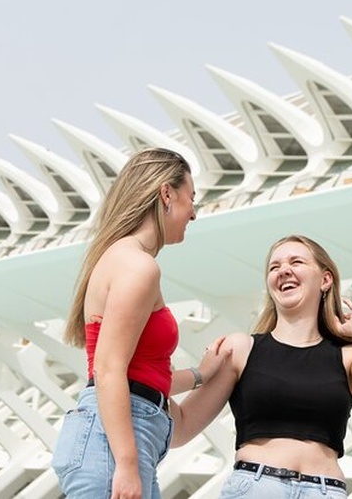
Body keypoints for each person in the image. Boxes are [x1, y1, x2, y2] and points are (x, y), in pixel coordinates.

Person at [171, 234, 352, 498]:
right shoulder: (241, 349)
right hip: (258, 486)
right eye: (274, 267)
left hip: (325, 490)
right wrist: (155, 370)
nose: (284, 271)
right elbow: (180, 430)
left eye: (296, 262)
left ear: (325, 280)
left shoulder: (346, 357)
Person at [52, 148, 228, 499]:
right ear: (166, 194)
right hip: (112, 449)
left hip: (119, 444)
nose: (193, 213)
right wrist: (127, 465)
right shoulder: (138, 266)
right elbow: (107, 369)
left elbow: (138, 375)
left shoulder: (124, 259)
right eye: (191, 198)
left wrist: (200, 374)